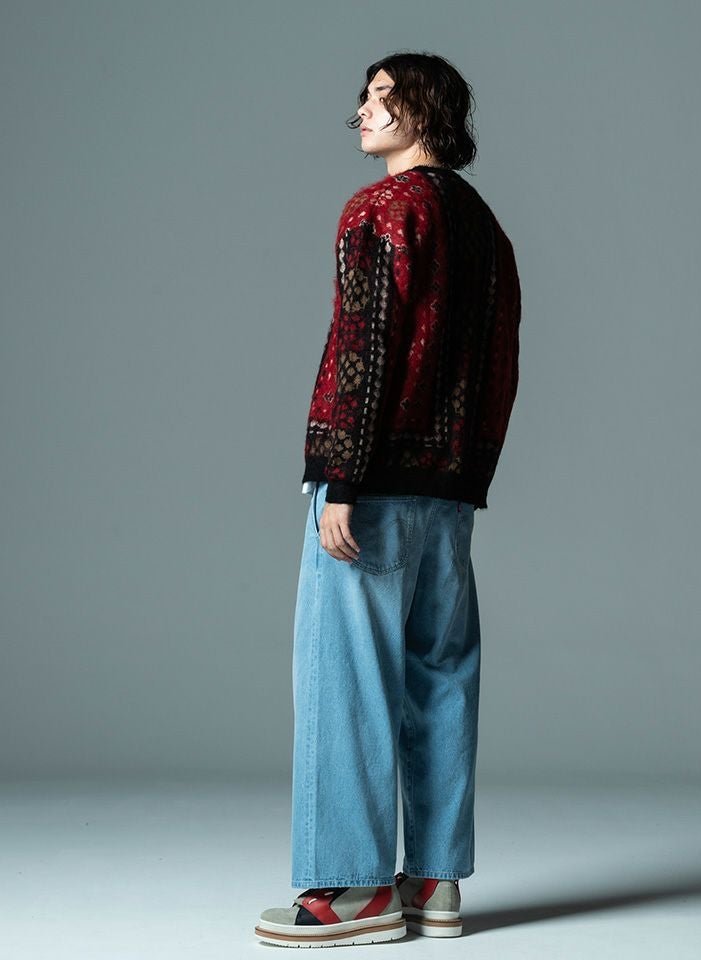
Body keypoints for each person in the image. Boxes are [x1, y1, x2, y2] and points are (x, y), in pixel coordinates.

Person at [255, 51, 521, 948]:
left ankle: (354, 890)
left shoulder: (383, 209)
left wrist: (341, 477)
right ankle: (435, 882)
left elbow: (362, 348)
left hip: (371, 488)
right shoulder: (486, 228)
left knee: (346, 676)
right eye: (363, 99)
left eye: (381, 97)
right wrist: (468, 476)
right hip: (450, 492)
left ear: (425, 109)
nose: (363, 112)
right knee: (442, 673)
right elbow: (500, 365)